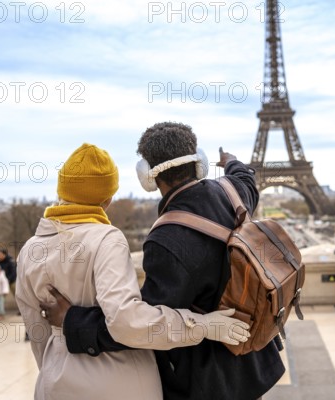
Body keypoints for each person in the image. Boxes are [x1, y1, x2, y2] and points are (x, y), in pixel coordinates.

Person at [40, 124, 284, 400]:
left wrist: (74, 322)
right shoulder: (235, 193)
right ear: (199, 162)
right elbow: (245, 176)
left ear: (148, 176)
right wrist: (231, 161)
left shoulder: (167, 240)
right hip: (255, 361)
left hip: (207, 382)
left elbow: (141, 324)